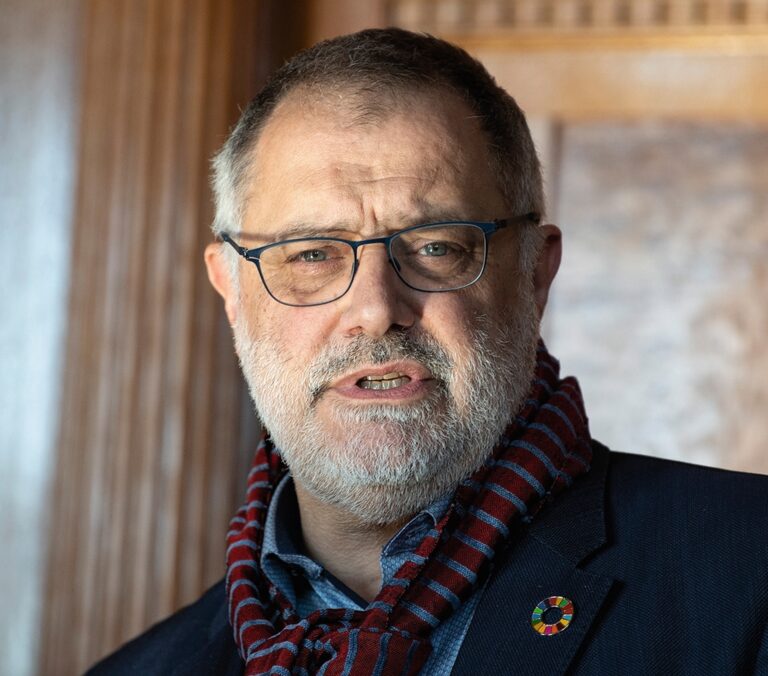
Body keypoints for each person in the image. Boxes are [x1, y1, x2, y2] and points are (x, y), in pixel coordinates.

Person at [88, 28, 768, 676]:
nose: (375, 309)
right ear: (232, 291)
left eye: (436, 247)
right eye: (311, 255)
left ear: (535, 274)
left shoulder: (748, 573)